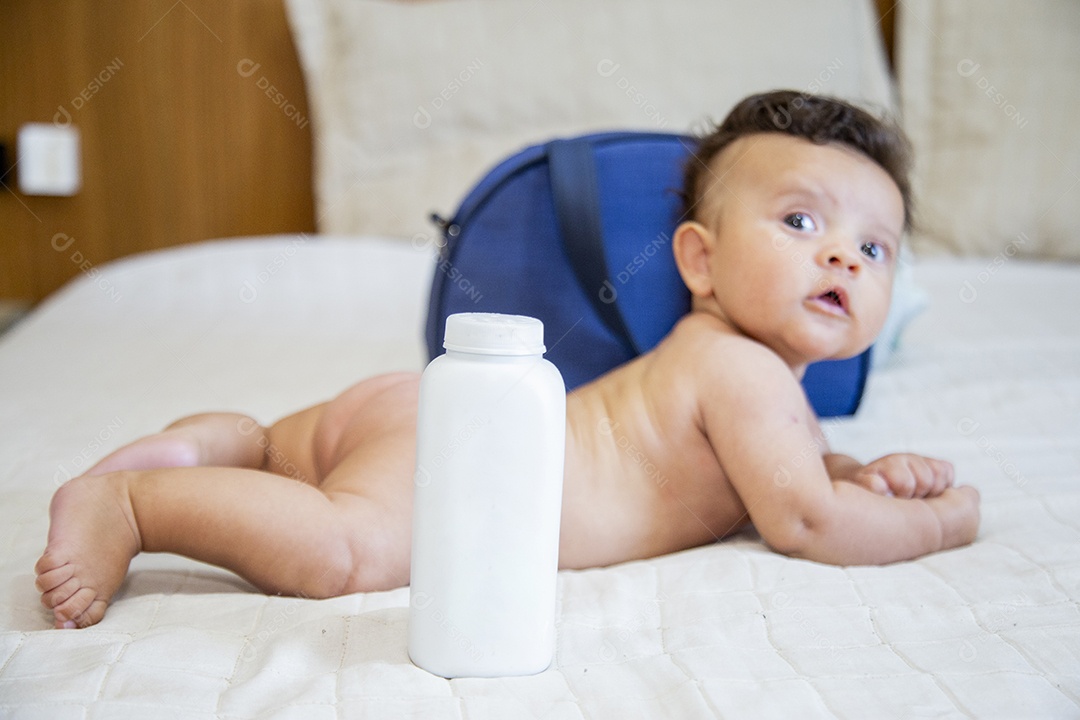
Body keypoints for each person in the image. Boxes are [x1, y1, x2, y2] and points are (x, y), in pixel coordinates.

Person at [36, 90, 980, 629]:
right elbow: (808, 519)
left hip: (416, 414)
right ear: (698, 260)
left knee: (295, 462)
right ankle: (133, 503)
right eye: (801, 220)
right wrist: (938, 522)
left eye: (876, 246)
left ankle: (223, 445)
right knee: (341, 549)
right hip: (461, 468)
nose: (842, 256)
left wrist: (871, 474)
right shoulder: (741, 371)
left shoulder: (753, 390)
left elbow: (801, 475)